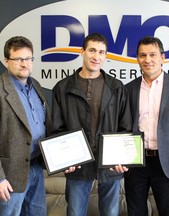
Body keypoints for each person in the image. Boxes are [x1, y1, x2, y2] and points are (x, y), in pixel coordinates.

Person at [51, 33, 132, 216]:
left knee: (110, 213)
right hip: (77, 166)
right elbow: (56, 128)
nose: (97, 57)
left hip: (110, 166)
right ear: (82, 52)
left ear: (106, 56)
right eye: (92, 50)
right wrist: (64, 160)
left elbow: (125, 126)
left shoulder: (117, 87)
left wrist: (122, 158)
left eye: (102, 52)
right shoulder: (62, 88)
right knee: (75, 213)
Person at [122, 36, 169, 216]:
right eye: (142, 55)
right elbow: (123, 126)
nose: (147, 60)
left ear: (163, 57)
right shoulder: (128, 88)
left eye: (153, 55)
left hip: (166, 162)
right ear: (137, 59)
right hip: (136, 162)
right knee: (135, 211)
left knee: (168, 211)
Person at [0, 36, 52, 215]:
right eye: (19, 59)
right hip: (9, 174)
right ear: (7, 61)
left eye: (29, 59)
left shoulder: (35, 85)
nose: (25, 64)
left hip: (36, 167)